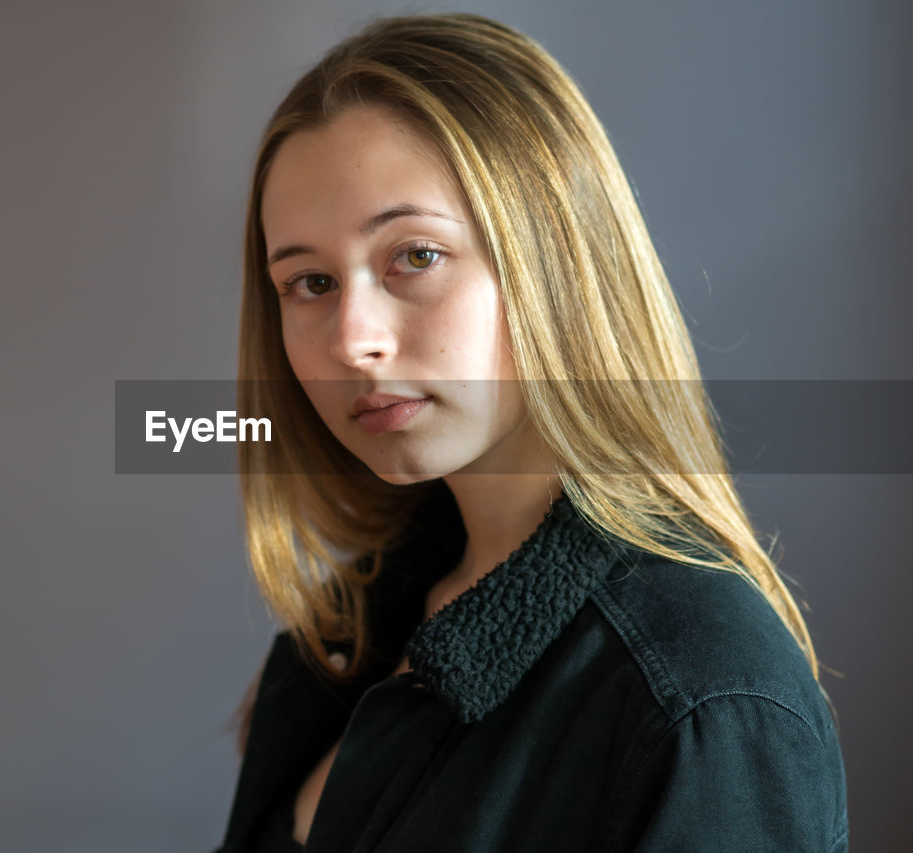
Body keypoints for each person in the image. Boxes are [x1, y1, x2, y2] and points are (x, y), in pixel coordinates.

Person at [213, 12, 848, 852]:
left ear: (555, 254)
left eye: (415, 256)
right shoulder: (344, 638)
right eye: (311, 281)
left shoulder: (703, 696)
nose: (351, 338)